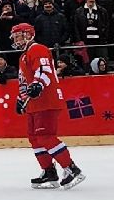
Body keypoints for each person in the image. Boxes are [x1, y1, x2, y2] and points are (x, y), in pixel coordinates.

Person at [11, 22, 84, 190]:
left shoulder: (38, 49)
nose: (16, 38)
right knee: (34, 137)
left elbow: (44, 71)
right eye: (14, 36)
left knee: (45, 136)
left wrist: (38, 85)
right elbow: (24, 81)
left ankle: (71, 169)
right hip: (34, 103)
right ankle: (49, 172)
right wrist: (20, 98)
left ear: (29, 34)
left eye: (18, 35)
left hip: (46, 100)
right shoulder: (23, 55)